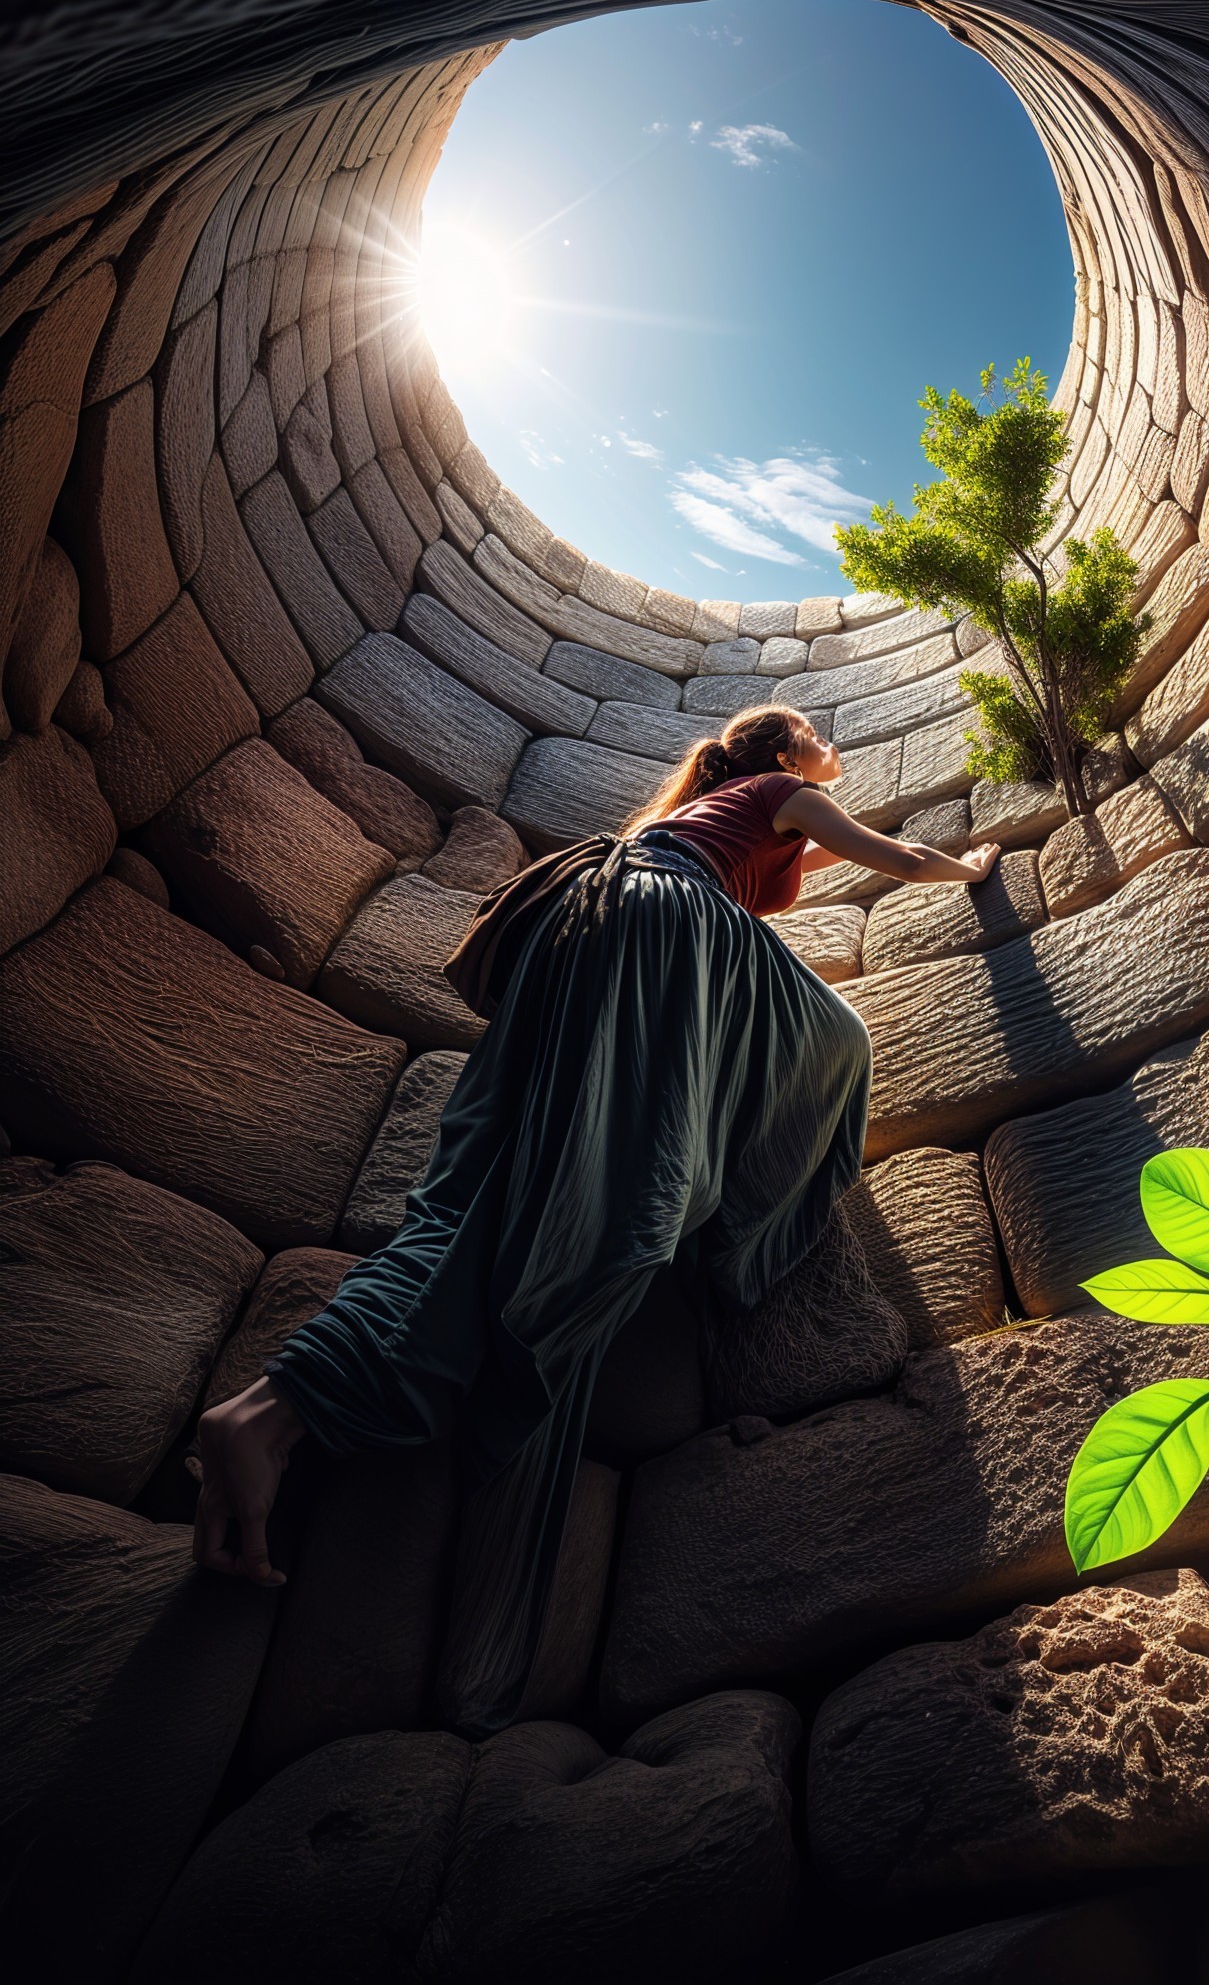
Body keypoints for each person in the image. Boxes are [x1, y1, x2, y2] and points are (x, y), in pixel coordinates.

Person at [191, 704, 1000, 1731]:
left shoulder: (695, 807)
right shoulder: (783, 794)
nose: (829, 751)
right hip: (662, 927)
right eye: (818, 739)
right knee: (828, 1044)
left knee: (489, 1189)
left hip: (589, 932)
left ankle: (270, 1409)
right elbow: (890, 851)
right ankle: (738, 1229)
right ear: (788, 755)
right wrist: (968, 866)